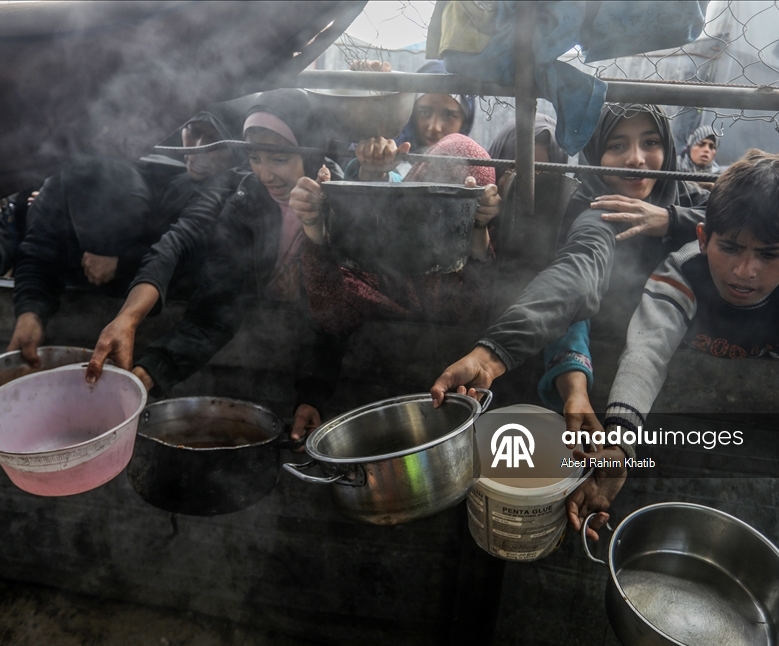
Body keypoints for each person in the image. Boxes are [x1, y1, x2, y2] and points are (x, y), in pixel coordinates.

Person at [590, 150, 779, 614]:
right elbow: (647, 352)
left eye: (769, 254)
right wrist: (619, 443)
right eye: (731, 248)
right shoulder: (683, 269)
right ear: (703, 237)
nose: (745, 272)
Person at [87, 89, 345, 442]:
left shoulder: (344, 201)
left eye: (279, 158)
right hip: (256, 357)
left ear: (311, 149)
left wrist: (313, 395)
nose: (265, 174)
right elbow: (213, 298)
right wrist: (145, 358)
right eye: (255, 157)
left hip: (326, 373)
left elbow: (333, 310)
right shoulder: (243, 200)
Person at [430, 104, 708, 420]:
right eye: (617, 145)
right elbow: (576, 275)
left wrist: (672, 219)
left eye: (650, 142)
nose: (636, 158)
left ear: (668, 148)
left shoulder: (687, 196)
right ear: (595, 154)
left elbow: (747, 217)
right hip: (611, 367)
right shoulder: (597, 211)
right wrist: (491, 355)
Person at [8, 104, 243, 367]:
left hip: (154, 323)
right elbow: (39, 247)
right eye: (193, 131)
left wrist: (123, 265)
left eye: (213, 139)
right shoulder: (66, 175)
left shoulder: (194, 188)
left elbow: (178, 249)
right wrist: (30, 312)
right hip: (77, 318)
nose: (198, 148)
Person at [292, 132, 500, 340]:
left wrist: (477, 229)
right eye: (431, 200)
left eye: (455, 208)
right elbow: (334, 314)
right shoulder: (375, 248)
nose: (438, 217)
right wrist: (313, 225)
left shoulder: (464, 262)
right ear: (416, 182)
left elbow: (475, 314)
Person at [346, 60, 475, 181]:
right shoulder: (388, 152)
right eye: (424, 112)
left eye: (448, 115)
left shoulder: (474, 167)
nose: (434, 127)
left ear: (465, 121)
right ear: (411, 112)